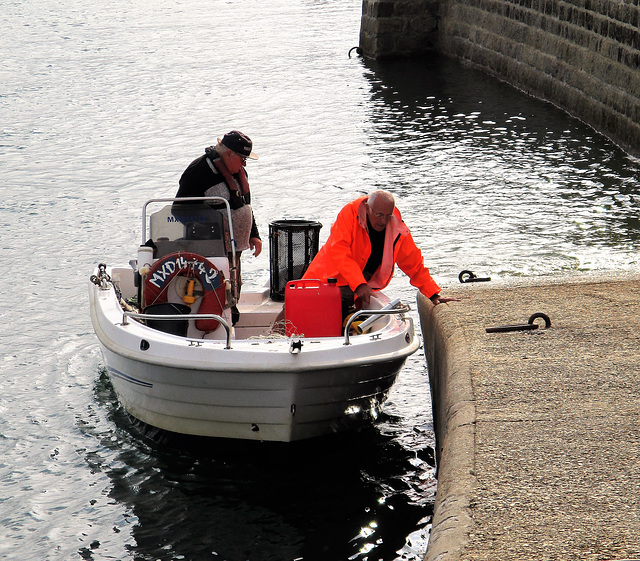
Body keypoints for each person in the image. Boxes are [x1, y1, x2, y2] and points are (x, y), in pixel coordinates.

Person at [302, 190, 458, 317]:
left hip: (358, 286)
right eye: (379, 215)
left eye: (387, 216)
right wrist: (360, 284)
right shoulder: (349, 214)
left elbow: (413, 262)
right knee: (338, 305)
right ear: (368, 208)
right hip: (324, 282)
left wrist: (432, 294)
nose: (383, 221)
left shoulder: (395, 226)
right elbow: (339, 252)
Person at [175, 130, 262, 323]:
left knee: (234, 284)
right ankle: (212, 324)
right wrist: (211, 230)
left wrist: (253, 234)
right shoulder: (198, 171)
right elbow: (179, 211)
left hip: (234, 247)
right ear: (229, 154)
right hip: (209, 248)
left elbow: (244, 205)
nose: (245, 164)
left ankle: (231, 316)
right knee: (214, 288)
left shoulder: (239, 172)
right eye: (242, 159)